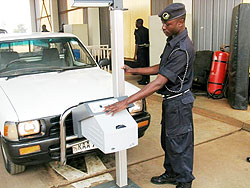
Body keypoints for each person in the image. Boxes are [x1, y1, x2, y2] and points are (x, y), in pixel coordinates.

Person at [104, 3, 195, 188]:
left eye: (167, 24)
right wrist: (134, 70)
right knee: (168, 141)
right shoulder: (173, 41)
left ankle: (184, 182)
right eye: (163, 23)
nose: (163, 27)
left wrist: (126, 102)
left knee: (179, 144)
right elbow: (160, 68)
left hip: (179, 103)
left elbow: (159, 82)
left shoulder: (183, 48)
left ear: (180, 22)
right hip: (171, 103)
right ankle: (171, 173)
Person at [134, 18, 150, 85]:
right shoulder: (147, 30)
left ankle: (143, 79)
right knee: (146, 64)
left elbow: (137, 43)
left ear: (138, 23)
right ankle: (146, 78)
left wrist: (135, 54)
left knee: (142, 65)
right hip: (147, 49)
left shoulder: (137, 32)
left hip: (140, 50)